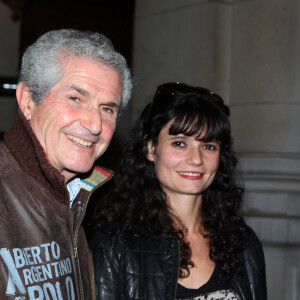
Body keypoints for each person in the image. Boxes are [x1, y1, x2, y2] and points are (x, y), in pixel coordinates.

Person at [90, 82, 267, 300]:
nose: (196, 159)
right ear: (152, 149)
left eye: (209, 146)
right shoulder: (113, 246)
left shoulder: (242, 244)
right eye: (180, 144)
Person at [0, 29, 132, 299]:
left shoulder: (78, 197)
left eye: (107, 109)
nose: (95, 125)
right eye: (75, 99)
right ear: (27, 100)